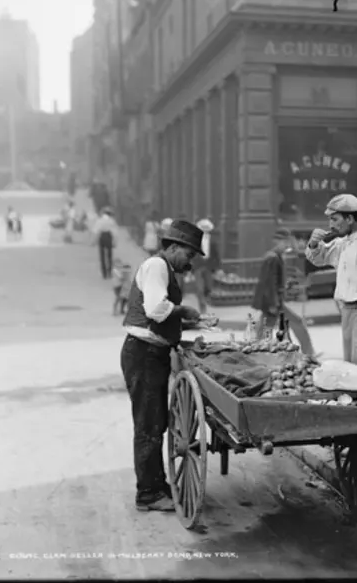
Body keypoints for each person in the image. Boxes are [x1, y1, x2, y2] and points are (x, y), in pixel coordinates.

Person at [120, 219, 208, 512]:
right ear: (172, 247)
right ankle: (148, 493)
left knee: (155, 421)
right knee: (149, 425)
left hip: (151, 354)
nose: (190, 262)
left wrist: (188, 319)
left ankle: (155, 486)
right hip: (143, 354)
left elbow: (162, 311)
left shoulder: (165, 269)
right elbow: (156, 310)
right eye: (189, 255)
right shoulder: (157, 266)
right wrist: (184, 310)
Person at [305, 194, 357, 367]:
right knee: (350, 368)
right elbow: (320, 258)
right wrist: (314, 243)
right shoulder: (343, 242)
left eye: (335, 219)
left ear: (350, 218)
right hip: (346, 310)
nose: (331, 225)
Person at [251, 227, 316, 357]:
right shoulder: (273, 258)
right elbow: (269, 283)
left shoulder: (276, 257)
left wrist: (286, 286)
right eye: (285, 242)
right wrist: (273, 303)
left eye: (287, 242)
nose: (287, 245)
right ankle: (308, 353)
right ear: (277, 242)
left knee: (265, 327)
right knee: (293, 323)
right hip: (273, 301)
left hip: (273, 300)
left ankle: (254, 350)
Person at [192, 218, 221, 314]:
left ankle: (206, 300)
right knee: (199, 288)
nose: (204, 230)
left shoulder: (213, 240)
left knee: (208, 287)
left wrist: (218, 267)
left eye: (206, 228)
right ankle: (202, 308)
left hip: (208, 266)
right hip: (198, 266)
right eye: (202, 228)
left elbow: (216, 254)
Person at [94, 207, 119, 279]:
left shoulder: (100, 220)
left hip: (102, 236)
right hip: (108, 236)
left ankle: (104, 273)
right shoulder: (112, 221)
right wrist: (115, 241)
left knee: (102, 255)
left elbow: (96, 230)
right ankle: (109, 272)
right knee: (109, 255)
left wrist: (94, 241)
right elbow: (115, 232)